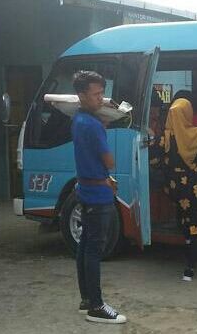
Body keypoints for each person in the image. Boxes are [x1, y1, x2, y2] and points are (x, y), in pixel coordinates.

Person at [71, 71, 126, 324]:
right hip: (97, 195)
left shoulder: (79, 119)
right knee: (94, 249)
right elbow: (110, 162)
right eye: (96, 94)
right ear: (81, 96)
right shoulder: (92, 125)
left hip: (86, 189)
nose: (100, 99)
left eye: (102, 93)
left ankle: (86, 300)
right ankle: (96, 305)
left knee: (84, 246)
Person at [161, 98, 197, 282]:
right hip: (196, 186)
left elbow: (156, 161)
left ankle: (188, 247)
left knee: (184, 218)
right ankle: (190, 266)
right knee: (196, 222)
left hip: (177, 188)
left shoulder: (166, 137)